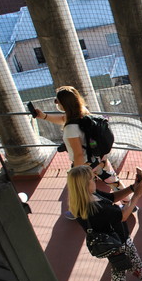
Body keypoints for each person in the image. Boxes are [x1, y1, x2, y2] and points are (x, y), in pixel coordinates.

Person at [35, 86, 127, 218]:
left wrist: (75, 172)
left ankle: (77, 211)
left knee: (77, 189)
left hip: (84, 163)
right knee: (113, 181)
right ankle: (129, 203)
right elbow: (63, 119)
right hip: (98, 157)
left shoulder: (70, 129)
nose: (56, 103)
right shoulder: (83, 112)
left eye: (57, 101)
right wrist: (43, 116)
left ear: (64, 104)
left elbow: (78, 154)